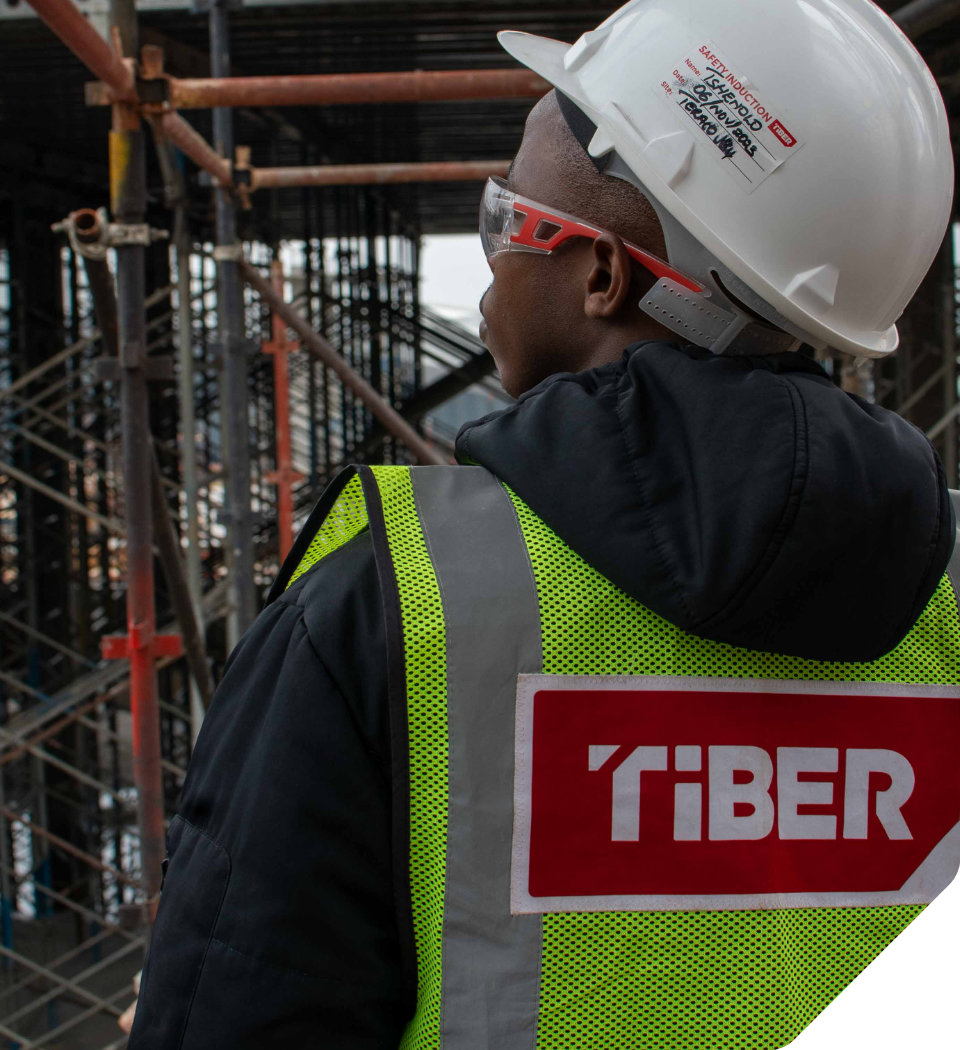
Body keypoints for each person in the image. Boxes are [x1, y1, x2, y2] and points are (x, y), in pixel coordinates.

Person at [128, 1, 960, 1047]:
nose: (490, 263)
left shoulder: (393, 608)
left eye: (503, 219)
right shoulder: (951, 601)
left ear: (602, 275)